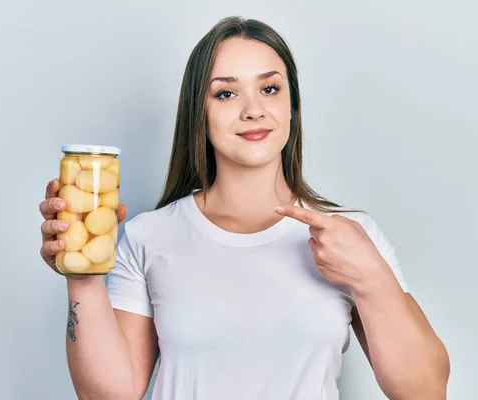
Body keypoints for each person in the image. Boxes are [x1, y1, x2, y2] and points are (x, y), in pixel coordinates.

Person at [39, 16, 450, 400]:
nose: (254, 110)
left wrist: (372, 279)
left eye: (270, 88)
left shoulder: (347, 235)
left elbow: (425, 391)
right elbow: (109, 394)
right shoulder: (151, 235)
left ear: (292, 104)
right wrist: (81, 274)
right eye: (226, 93)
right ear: (199, 112)